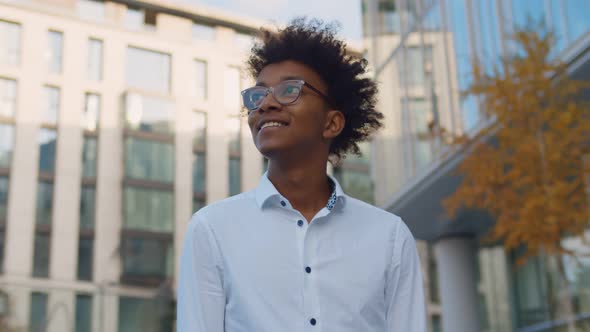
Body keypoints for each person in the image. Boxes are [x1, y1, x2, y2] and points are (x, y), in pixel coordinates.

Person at [177, 18, 426, 332]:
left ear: (331, 123)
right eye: (257, 95)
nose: (265, 104)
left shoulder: (389, 237)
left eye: (289, 90)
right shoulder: (212, 229)